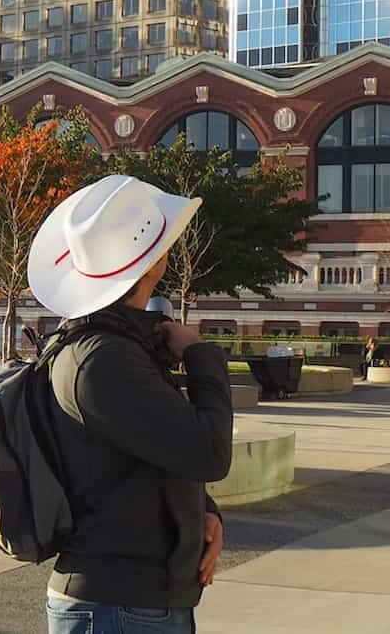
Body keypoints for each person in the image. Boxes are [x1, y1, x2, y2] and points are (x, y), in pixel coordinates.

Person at [27, 173, 234, 634]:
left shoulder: (110, 346)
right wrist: (202, 356)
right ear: (152, 262)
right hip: (117, 606)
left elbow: (141, 457)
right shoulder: (102, 360)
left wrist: (204, 511)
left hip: (129, 601)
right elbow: (210, 452)